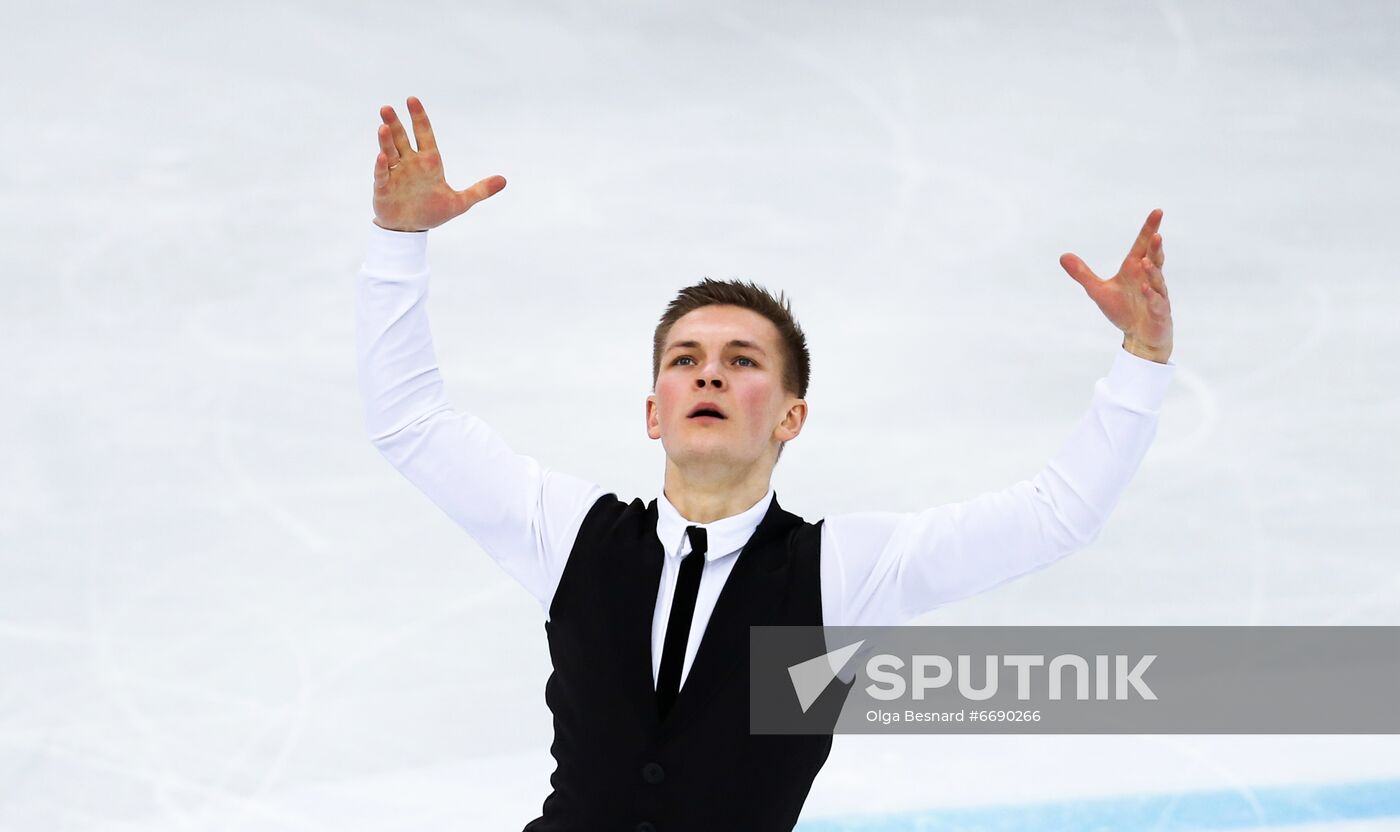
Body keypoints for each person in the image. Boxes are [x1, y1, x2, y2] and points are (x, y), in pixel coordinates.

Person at [357, 96, 1175, 831]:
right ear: (652, 412)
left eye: (742, 360)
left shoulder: (838, 577)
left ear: (793, 416)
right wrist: (399, 241)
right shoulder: (575, 539)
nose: (708, 372)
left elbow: (1055, 516)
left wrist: (1141, 356)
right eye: (684, 360)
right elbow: (412, 424)